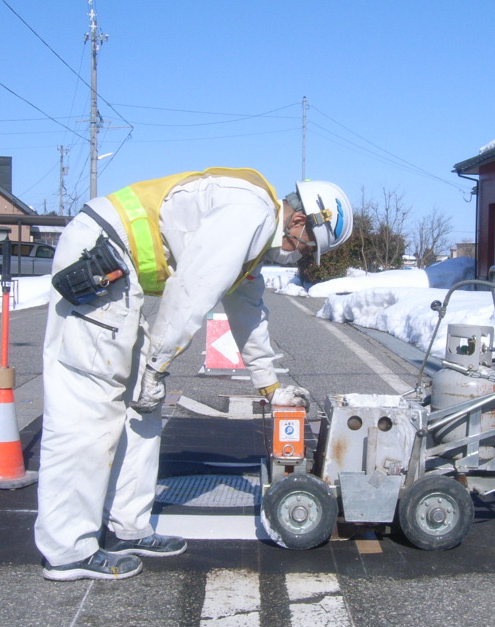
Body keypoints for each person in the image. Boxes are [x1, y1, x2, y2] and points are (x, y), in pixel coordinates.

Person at [35, 168, 353, 581]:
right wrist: (157, 364)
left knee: (141, 408)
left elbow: (248, 313)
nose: (302, 255)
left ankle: (127, 526)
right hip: (102, 256)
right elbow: (193, 290)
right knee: (89, 407)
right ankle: (67, 550)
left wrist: (271, 387)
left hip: (119, 269)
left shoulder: (253, 240)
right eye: (309, 246)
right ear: (299, 221)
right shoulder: (249, 212)